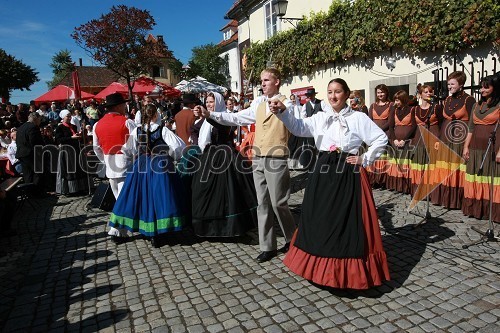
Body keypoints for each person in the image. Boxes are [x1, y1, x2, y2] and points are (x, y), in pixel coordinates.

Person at [269, 78, 390, 289]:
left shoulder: (358, 118)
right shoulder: (320, 118)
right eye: (330, 92)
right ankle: (321, 271)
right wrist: (283, 112)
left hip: (348, 174)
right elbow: (298, 127)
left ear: (346, 94)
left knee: (346, 223)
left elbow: (380, 138)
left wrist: (365, 158)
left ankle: (348, 274)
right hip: (323, 173)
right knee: (321, 219)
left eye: (338, 92)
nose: (333, 96)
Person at [202, 68, 296, 263]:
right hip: (258, 156)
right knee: (262, 203)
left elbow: (295, 122)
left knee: (279, 203)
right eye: (261, 80)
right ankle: (267, 246)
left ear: (277, 82)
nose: (262, 84)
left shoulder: (288, 104)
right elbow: (236, 118)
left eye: (267, 80)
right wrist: (211, 114)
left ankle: (292, 238)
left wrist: (284, 109)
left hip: (277, 157)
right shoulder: (259, 105)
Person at [109, 104, 186, 247]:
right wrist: (170, 157)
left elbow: (127, 150)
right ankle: (158, 231)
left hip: (141, 165)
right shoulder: (163, 130)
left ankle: (124, 229)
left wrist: (136, 159)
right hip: (160, 164)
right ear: (155, 115)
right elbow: (178, 148)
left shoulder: (137, 131)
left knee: (138, 196)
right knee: (160, 196)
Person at [191, 92, 257, 237]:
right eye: (207, 102)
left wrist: (208, 116)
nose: (209, 104)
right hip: (212, 156)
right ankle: (212, 226)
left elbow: (215, 130)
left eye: (211, 102)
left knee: (231, 190)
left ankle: (231, 225)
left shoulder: (222, 116)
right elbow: (198, 134)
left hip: (225, 155)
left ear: (218, 102)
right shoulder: (208, 119)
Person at [93, 93, 137, 243]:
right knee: (122, 199)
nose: (125, 106)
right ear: (118, 106)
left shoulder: (97, 124)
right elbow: (135, 144)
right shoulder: (127, 122)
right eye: (123, 104)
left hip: (110, 165)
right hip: (125, 164)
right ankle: (115, 230)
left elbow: (96, 147)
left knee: (119, 197)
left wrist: (105, 159)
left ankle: (122, 231)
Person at [432, 71, 476, 209]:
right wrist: (439, 139)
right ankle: (445, 198)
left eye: (452, 84)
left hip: (459, 138)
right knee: (445, 168)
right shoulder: (447, 100)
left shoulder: (469, 100)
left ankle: (456, 200)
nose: (449, 86)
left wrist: (467, 145)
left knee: (457, 169)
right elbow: (442, 121)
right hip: (445, 137)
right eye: (448, 83)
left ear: (461, 85)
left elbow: (472, 123)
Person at [462, 74, 500, 221]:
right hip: (475, 147)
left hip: (492, 147)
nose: (482, 89)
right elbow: (470, 128)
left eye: (486, 87)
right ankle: (476, 209)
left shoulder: (498, 105)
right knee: (476, 176)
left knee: (491, 178)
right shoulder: (476, 105)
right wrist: (466, 147)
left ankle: (492, 211)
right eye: (481, 86)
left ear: (495, 88)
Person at [409, 85, 443, 196]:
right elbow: (413, 126)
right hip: (419, 137)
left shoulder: (436, 107)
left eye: (430, 91)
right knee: (420, 163)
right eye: (426, 92)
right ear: (420, 94)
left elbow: (442, 124)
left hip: (433, 135)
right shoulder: (415, 109)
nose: (428, 93)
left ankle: (432, 191)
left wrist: (440, 140)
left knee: (432, 163)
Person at [386, 90, 416, 194]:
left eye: (398, 100)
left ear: (403, 99)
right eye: (395, 100)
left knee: (406, 162)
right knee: (397, 163)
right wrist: (394, 139)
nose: (396, 102)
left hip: (407, 141)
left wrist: (405, 139)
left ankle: (406, 186)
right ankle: (397, 185)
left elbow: (413, 126)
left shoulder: (412, 109)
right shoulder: (394, 110)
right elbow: (390, 126)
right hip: (395, 140)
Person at [54, 109, 88, 195]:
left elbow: (75, 135)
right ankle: (71, 189)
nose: (69, 118)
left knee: (78, 168)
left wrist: (79, 135)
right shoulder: (60, 128)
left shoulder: (73, 126)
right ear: (63, 117)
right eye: (67, 116)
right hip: (67, 150)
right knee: (69, 169)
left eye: (70, 116)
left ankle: (80, 187)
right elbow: (59, 139)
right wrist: (71, 138)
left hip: (75, 149)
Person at [366, 84, 392, 188]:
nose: (380, 94)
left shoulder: (391, 105)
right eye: (378, 92)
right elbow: (369, 120)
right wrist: (373, 132)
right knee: (373, 156)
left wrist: (379, 131)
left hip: (385, 134)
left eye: (382, 92)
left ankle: (383, 181)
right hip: (373, 135)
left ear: (386, 93)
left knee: (383, 158)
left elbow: (390, 122)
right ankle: (373, 180)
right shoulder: (372, 106)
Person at [15, 112, 45, 195]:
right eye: (39, 119)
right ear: (36, 118)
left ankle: (29, 193)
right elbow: (34, 142)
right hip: (31, 153)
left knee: (27, 174)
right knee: (37, 173)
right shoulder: (33, 127)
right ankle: (37, 193)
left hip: (22, 154)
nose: (40, 121)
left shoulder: (21, 127)